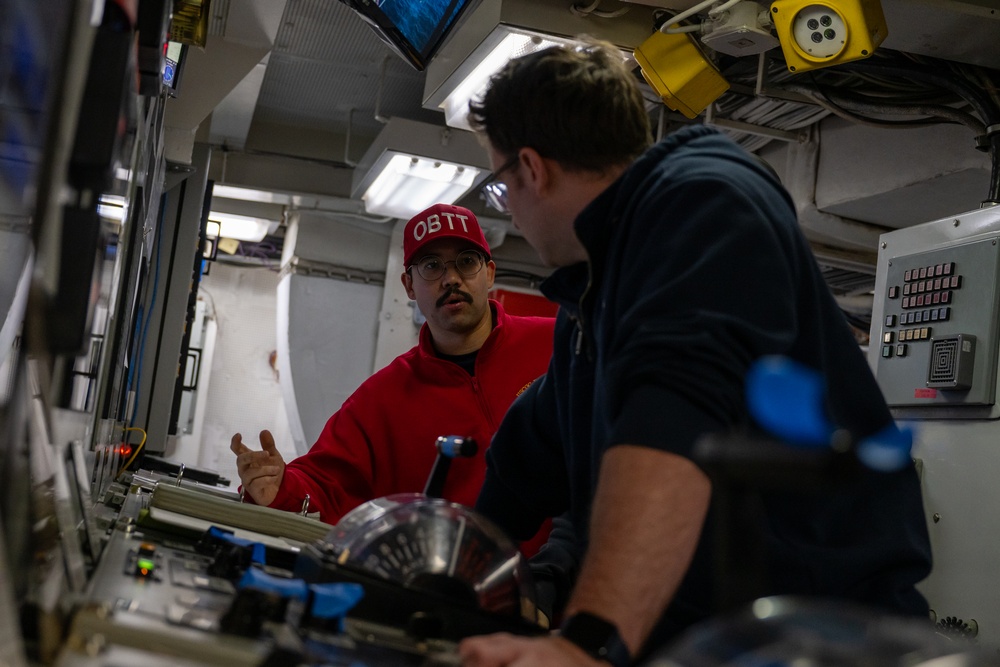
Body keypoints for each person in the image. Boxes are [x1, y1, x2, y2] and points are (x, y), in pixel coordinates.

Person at [458, 43, 932, 666]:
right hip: (705, 644)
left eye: (499, 188)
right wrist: (451, 564)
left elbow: (672, 422)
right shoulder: (596, 296)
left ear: (531, 168)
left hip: (814, 641)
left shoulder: (702, 204)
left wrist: (585, 644)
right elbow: (530, 456)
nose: (509, 211)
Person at [229, 203, 555, 553]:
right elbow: (324, 481)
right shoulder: (383, 398)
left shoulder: (557, 344)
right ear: (409, 285)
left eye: (466, 262)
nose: (451, 278)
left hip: (580, 581)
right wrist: (278, 487)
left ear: (489, 273)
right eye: (431, 266)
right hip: (461, 592)